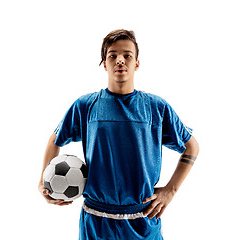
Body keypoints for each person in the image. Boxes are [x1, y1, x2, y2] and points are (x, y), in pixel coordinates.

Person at [38, 29, 200, 240]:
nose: (120, 60)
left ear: (137, 63)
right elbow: (55, 139)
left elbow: (192, 145)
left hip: (142, 219)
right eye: (112, 55)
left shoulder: (156, 108)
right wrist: (43, 182)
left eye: (127, 55)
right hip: (96, 221)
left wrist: (171, 190)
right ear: (104, 64)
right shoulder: (86, 106)